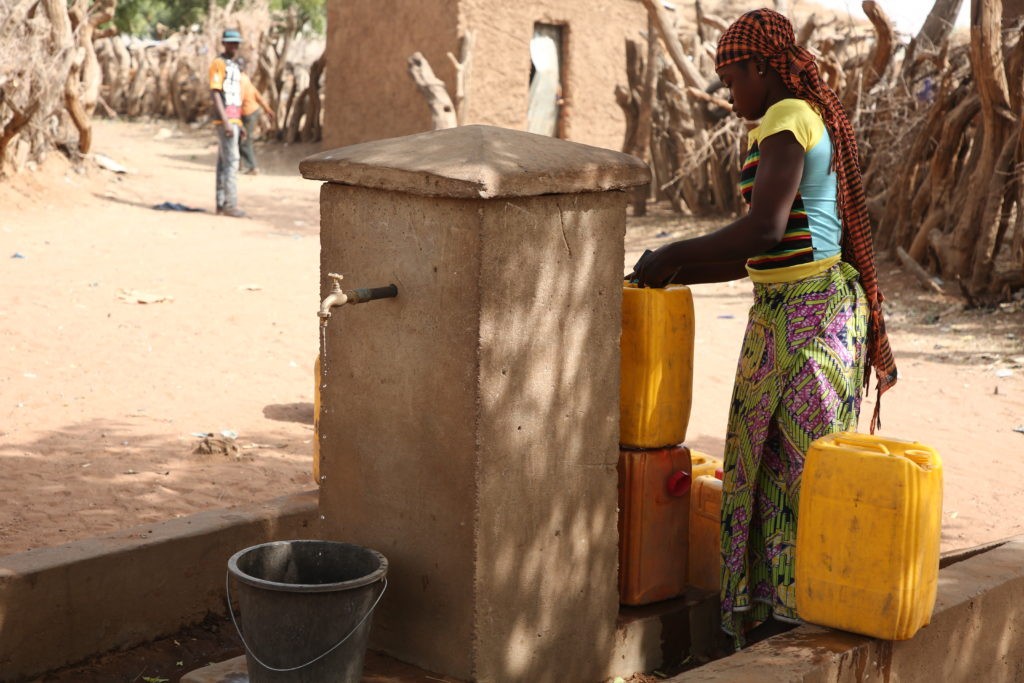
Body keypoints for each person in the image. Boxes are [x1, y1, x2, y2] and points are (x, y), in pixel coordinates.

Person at [629, 9, 898, 649]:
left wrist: (672, 252)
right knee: (772, 471)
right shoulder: (783, 125)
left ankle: (794, 615)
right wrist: (677, 270)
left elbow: (765, 230)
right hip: (783, 309)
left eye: (731, 79)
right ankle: (779, 617)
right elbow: (758, 257)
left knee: (797, 473)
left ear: (760, 68)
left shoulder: (788, 120)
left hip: (814, 316)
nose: (729, 95)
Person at [209, 28, 246, 217]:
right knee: (232, 162)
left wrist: (239, 123)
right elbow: (215, 93)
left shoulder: (233, 65)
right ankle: (230, 204)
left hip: (233, 119)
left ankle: (221, 203)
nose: (235, 47)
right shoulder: (218, 63)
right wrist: (226, 122)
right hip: (226, 120)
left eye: (236, 43)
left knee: (224, 163)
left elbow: (234, 97)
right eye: (231, 43)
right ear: (224, 44)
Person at [238, 66, 275, 175]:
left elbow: (239, 99)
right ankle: (243, 166)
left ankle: (252, 167)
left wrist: (235, 116)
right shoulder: (247, 81)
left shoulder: (241, 80)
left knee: (245, 141)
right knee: (243, 140)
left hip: (248, 113)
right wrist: (268, 110)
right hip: (253, 111)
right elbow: (259, 96)